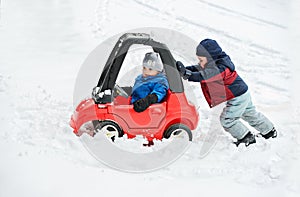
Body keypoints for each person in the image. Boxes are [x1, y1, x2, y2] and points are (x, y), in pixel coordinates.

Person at [176, 38, 277, 147]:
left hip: (237, 97)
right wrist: (185, 70)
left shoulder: (222, 68)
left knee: (227, 120)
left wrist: (188, 75)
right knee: (250, 114)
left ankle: (245, 137)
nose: (200, 63)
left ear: (211, 58)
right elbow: (199, 69)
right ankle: (269, 131)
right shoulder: (212, 63)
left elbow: (205, 75)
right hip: (241, 93)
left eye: (201, 60)